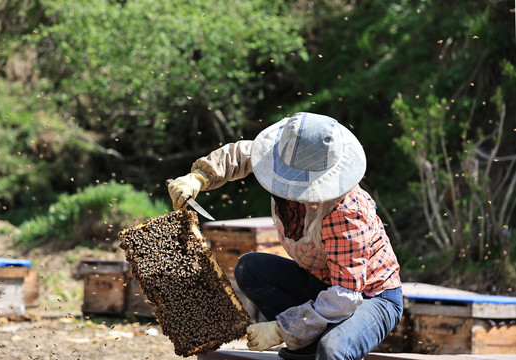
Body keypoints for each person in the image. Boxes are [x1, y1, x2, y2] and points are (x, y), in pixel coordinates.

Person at [168, 112, 403, 360]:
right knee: (251, 268)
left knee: (333, 350)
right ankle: (303, 348)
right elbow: (241, 154)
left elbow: (345, 297)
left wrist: (281, 329)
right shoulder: (280, 153)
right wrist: (199, 178)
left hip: (369, 296)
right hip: (319, 281)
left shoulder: (346, 213)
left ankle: (311, 343)